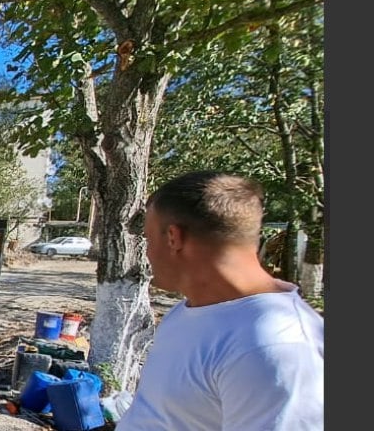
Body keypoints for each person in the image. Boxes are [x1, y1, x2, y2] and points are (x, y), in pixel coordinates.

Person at [116, 171, 324, 431]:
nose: (146, 253)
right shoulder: (186, 313)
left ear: (173, 238)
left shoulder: (275, 344)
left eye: (147, 239)